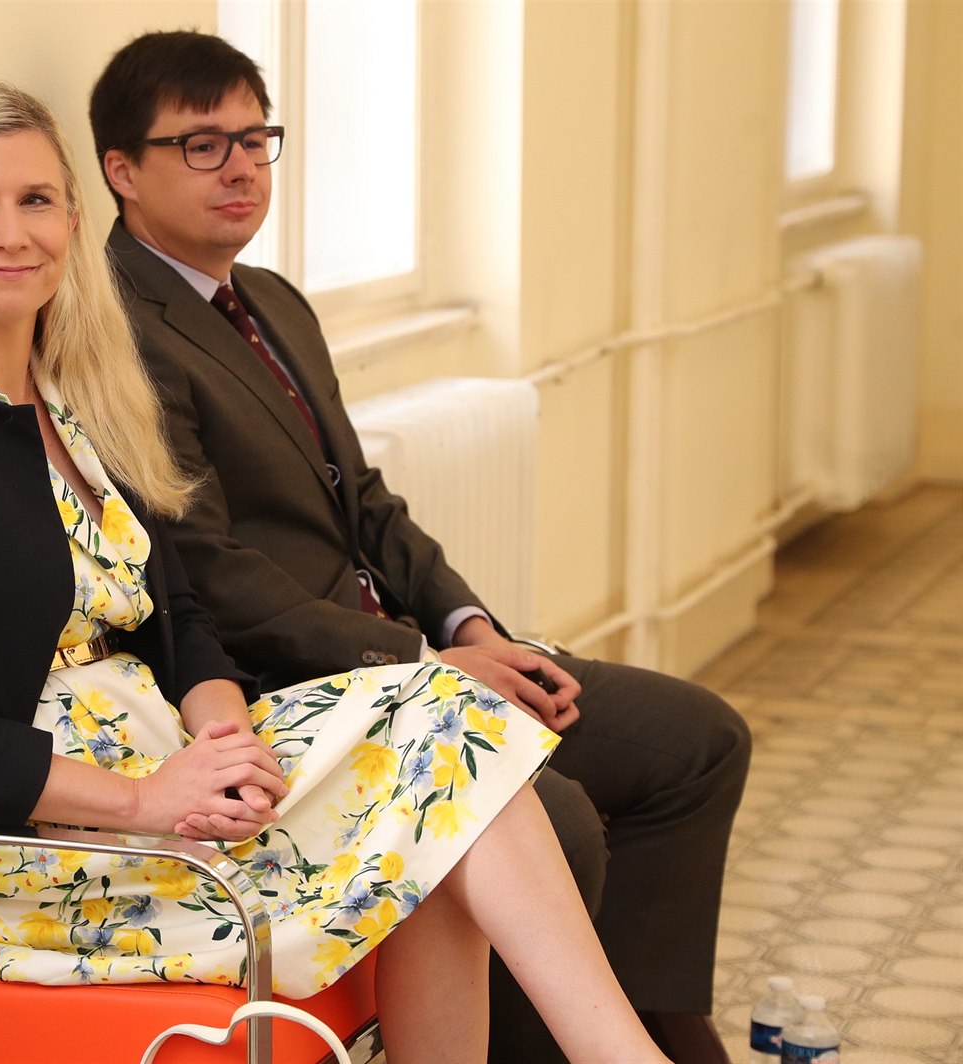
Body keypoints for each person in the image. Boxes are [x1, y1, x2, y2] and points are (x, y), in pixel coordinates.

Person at [0, 81, 670, 1064]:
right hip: (16, 848)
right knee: (439, 799)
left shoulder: (78, 403)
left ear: (73, 221)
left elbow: (179, 615)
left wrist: (227, 741)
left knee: (447, 730)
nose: (11, 231)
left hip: (172, 775)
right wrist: (145, 801)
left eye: (36, 200)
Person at [89, 31, 752, 1064]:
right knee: (556, 817)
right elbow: (206, 573)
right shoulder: (114, 328)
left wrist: (471, 627)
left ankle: (659, 1024)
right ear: (122, 170)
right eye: (203, 144)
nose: (242, 166)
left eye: (257, 138)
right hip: (291, 684)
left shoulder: (272, 301)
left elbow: (365, 503)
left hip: (413, 654)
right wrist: (421, 661)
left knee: (694, 740)